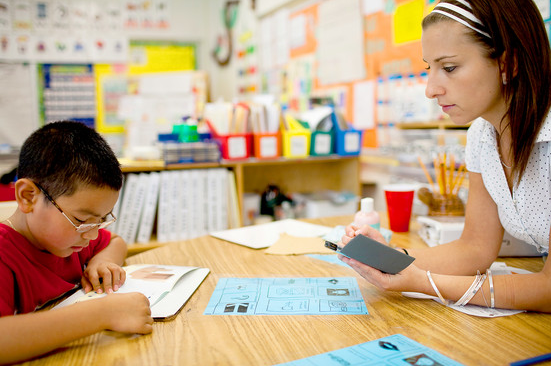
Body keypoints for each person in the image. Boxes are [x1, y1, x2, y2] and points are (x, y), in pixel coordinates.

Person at [341, 0, 551, 312]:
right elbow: (475, 249)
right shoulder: (481, 135)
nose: (430, 89)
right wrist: (388, 255)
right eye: (430, 68)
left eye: (449, 68)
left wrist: (422, 282)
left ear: (510, 63)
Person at [0, 121, 153, 364]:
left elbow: (115, 241)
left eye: (101, 220)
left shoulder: (68, 240)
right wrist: (102, 313)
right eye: (82, 219)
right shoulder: (4, 255)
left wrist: (102, 262)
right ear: (28, 196)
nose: (92, 235)